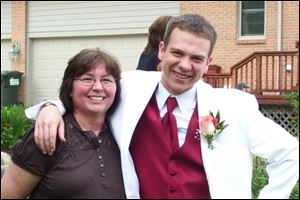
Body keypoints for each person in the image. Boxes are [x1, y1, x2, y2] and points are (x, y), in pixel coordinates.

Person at [24, 14, 298, 199]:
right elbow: (89, 92)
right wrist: (51, 107)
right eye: (177, 53)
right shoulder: (130, 87)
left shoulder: (234, 106)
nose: (185, 65)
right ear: (162, 49)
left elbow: (290, 154)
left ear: (208, 60)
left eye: (196, 58)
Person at [1, 48, 127, 199]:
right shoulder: (48, 133)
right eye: (88, 79)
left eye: (106, 80)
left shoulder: (125, 132)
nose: (98, 87)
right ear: (70, 88)